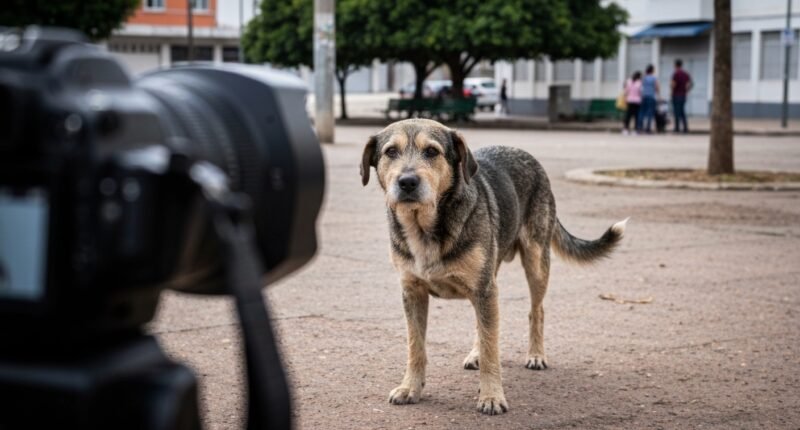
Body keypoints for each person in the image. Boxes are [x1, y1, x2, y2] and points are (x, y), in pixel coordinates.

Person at [671, 59, 692, 133]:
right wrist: (686, 91)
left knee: (676, 112)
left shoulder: (676, 74)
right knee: (682, 112)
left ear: (676, 65)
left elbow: (673, 84)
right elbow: (689, 84)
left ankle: (677, 128)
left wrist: (671, 91)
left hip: (676, 95)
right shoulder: (686, 74)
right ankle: (685, 128)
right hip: (683, 95)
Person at [638, 64, 660, 134]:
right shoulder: (654, 78)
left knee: (641, 112)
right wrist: (658, 95)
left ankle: (639, 127)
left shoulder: (643, 78)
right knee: (650, 113)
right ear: (652, 70)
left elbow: (640, 86)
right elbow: (656, 87)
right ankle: (648, 129)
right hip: (651, 97)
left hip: (643, 96)